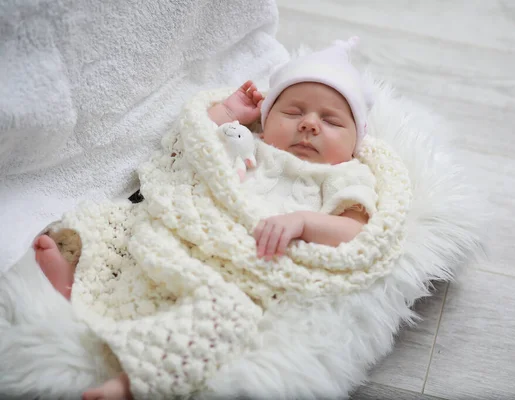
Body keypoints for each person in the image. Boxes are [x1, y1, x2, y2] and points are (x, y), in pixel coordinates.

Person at [33, 37, 376, 399]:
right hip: (184, 233)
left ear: (356, 141)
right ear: (266, 119)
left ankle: (133, 381)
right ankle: (75, 280)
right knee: (115, 223)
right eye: (292, 112)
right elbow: (194, 148)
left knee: (224, 320)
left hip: (236, 273)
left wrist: (304, 222)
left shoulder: (344, 175)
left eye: (331, 120)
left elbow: (355, 230)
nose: (308, 124)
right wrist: (228, 115)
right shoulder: (253, 143)